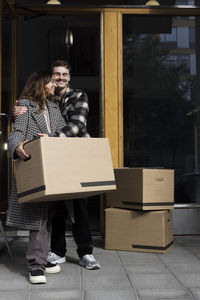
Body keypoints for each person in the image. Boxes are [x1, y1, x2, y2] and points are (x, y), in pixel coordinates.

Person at [14, 60, 100, 270]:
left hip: (74, 154)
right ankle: (58, 251)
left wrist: (53, 136)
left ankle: (85, 252)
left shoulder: (78, 95)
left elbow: (78, 124)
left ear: (69, 77)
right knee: (57, 206)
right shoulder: (47, 101)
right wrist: (19, 110)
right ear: (48, 79)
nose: (59, 79)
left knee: (78, 206)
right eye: (55, 76)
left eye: (63, 75)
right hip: (52, 158)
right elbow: (25, 121)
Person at [7, 71, 67, 284]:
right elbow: (17, 132)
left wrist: (55, 137)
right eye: (51, 81)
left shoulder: (53, 106)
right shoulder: (25, 105)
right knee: (38, 219)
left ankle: (42, 257)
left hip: (54, 167)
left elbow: (62, 130)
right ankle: (35, 266)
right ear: (41, 84)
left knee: (49, 217)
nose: (54, 85)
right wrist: (17, 147)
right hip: (35, 167)